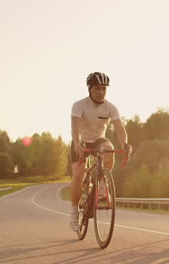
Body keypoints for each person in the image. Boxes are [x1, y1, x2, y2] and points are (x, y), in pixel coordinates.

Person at [70, 72, 131, 232]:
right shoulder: (79, 105)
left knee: (108, 148)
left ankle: (102, 183)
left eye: (104, 89)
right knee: (79, 173)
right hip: (81, 141)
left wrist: (125, 144)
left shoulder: (111, 107)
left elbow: (119, 128)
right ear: (90, 89)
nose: (101, 92)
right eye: (97, 88)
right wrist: (76, 143)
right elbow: (75, 127)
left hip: (98, 141)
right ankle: (74, 212)